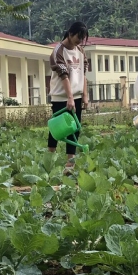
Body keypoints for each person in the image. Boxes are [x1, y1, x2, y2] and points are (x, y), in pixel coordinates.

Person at [47, 22, 90, 172]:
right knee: (58, 127)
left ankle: (70, 163)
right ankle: (49, 157)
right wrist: (69, 98)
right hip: (61, 96)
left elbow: (83, 75)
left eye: (82, 38)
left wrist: (85, 96)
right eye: (79, 37)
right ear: (70, 34)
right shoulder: (58, 51)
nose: (80, 41)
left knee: (74, 128)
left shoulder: (81, 51)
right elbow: (64, 76)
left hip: (77, 95)